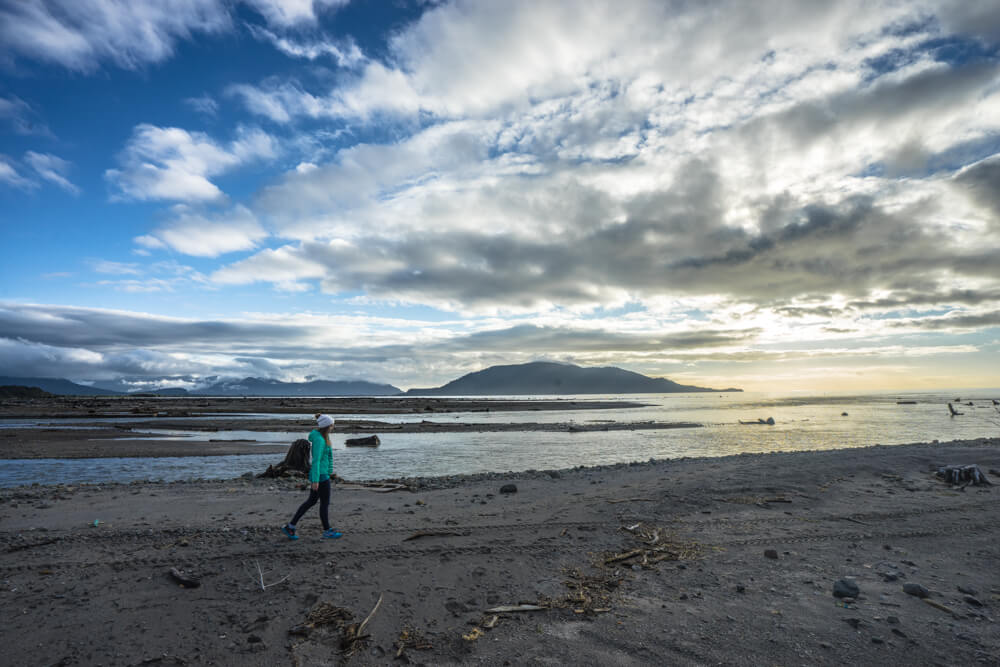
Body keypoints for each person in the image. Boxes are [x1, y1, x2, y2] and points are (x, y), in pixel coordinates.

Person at [282, 414, 342, 540]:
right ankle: (327, 531)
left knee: (311, 501)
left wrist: (329, 471)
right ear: (327, 426)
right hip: (320, 476)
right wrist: (315, 480)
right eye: (332, 424)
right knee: (324, 503)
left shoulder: (323, 437)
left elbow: (327, 458)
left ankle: (290, 526)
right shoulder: (320, 440)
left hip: (323, 474)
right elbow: (316, 461)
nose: (333, 426)